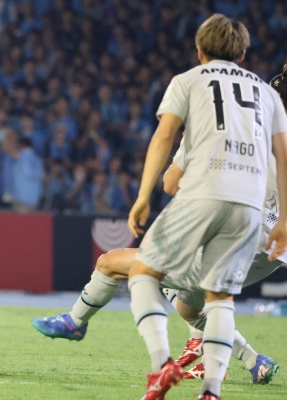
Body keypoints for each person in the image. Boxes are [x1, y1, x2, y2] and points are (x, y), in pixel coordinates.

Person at [31, 137, 284, 385]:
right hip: (272, 249)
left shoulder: (208, 126)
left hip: (233, 243)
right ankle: (253, 360)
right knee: (188, 308)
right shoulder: (266, 127)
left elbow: (171, 183)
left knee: (110, 263)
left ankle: (75, 321)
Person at [126, 15, 287, 400]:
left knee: (144, 272)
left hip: (221, 207)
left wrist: (145, 194)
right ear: (242, 54)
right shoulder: (266, 97)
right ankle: (222, 379)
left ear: (199, 51)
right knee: (205, 300)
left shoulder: (194, 88)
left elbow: (168, 165)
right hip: (263, 226)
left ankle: (164, 365)